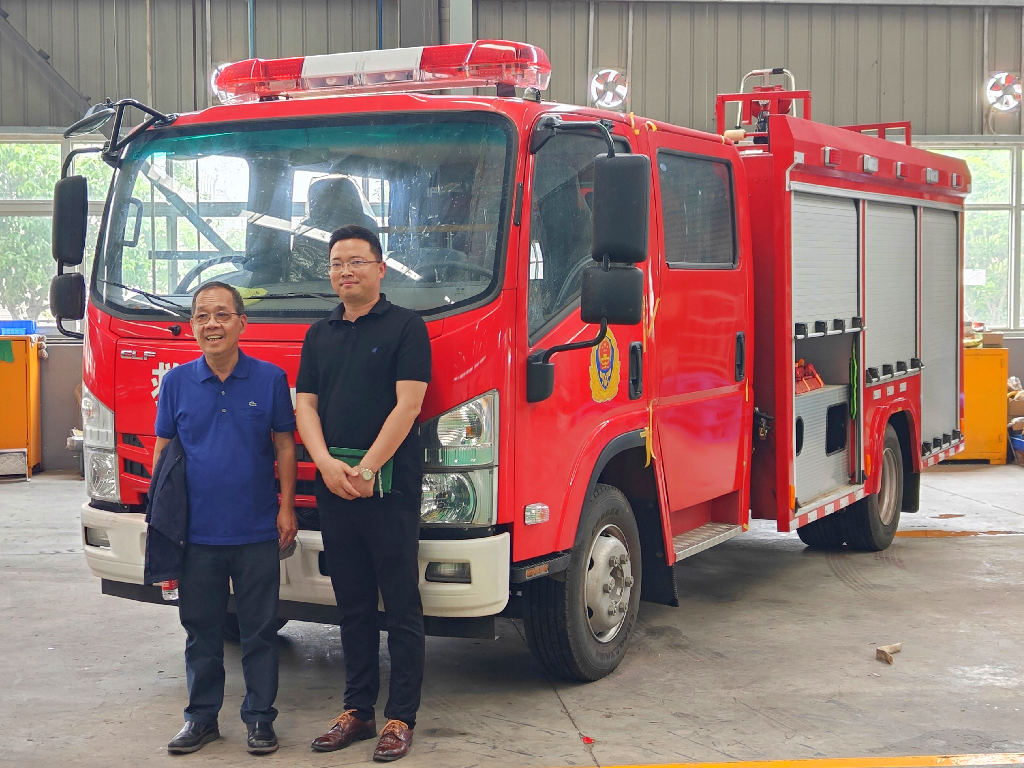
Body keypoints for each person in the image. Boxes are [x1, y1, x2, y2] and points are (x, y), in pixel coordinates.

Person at [295, 225, 430, 762]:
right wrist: (326, 464)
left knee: (400, 605)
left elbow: (409, 405)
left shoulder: (405, 327)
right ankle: (357, 709)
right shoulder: (319, 334)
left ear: (380, 267)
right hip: (333, 485)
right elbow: (305, 405)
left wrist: (370, 467)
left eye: (355, 261)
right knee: (351, 603)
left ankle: (401, 717)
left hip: (388, 489)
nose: (344, 271)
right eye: (335, 263)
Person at [153, 281, 297, 755]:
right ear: (192, 326)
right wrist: (159, 521)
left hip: (256, 530)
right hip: (196, 535)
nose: (211, 324)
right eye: (201, 316)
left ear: (241, 322)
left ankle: (260, 719)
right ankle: (200, 719)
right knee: (201, 631)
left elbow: (283, 444)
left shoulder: (269, 379)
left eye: (221, 314)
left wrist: (286, 506)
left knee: (258, 631)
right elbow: (163, 454)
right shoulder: (175, 384)